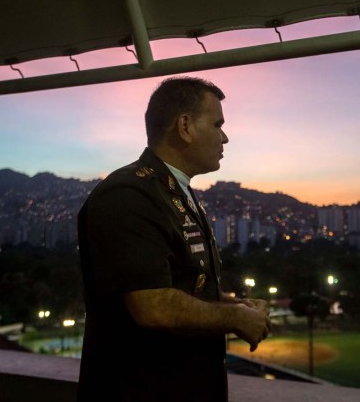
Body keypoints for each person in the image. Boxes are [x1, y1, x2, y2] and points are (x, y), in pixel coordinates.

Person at [77, 76, 271, 401]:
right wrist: (235, 317)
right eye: (217, 124)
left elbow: (183, 285)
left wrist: (234, 303)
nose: (225, 137)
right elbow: (152, 306)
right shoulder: (129, 194)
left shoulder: (173, 192)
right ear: (185, 126)